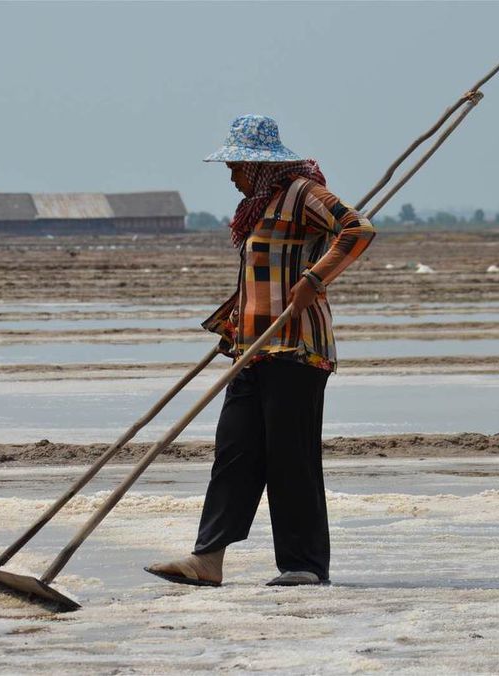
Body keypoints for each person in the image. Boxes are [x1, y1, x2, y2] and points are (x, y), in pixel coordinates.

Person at [145, 114, 375, 587]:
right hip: (252, 350)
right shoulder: (259, 207)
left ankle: (304, 566)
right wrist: (233, 325)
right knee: (234, 452)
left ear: (258, 164)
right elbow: (258, 278)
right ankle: (208, 559)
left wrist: (314, 278)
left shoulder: (301, 193)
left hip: (296, 350)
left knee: (291, 458)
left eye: (236, 166)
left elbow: (357, 230)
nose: (231, 175)